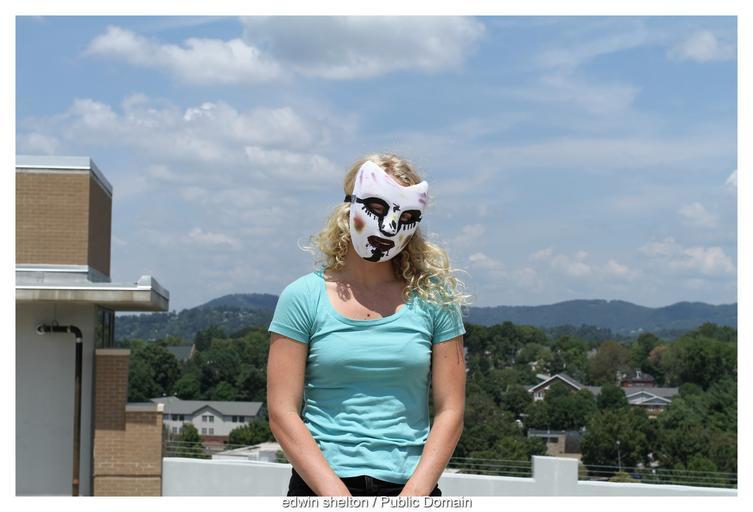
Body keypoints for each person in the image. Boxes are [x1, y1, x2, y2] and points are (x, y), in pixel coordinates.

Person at [267, 153, 468, 496]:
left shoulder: (435, 299)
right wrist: (338, 499)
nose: (389, 226)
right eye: (377, 207)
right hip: (320, 487)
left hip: (411, 488)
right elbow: (281, 411)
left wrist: (412, 498)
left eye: (406, 216)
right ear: (349, 205)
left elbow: (451, 410)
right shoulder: (302, 297)